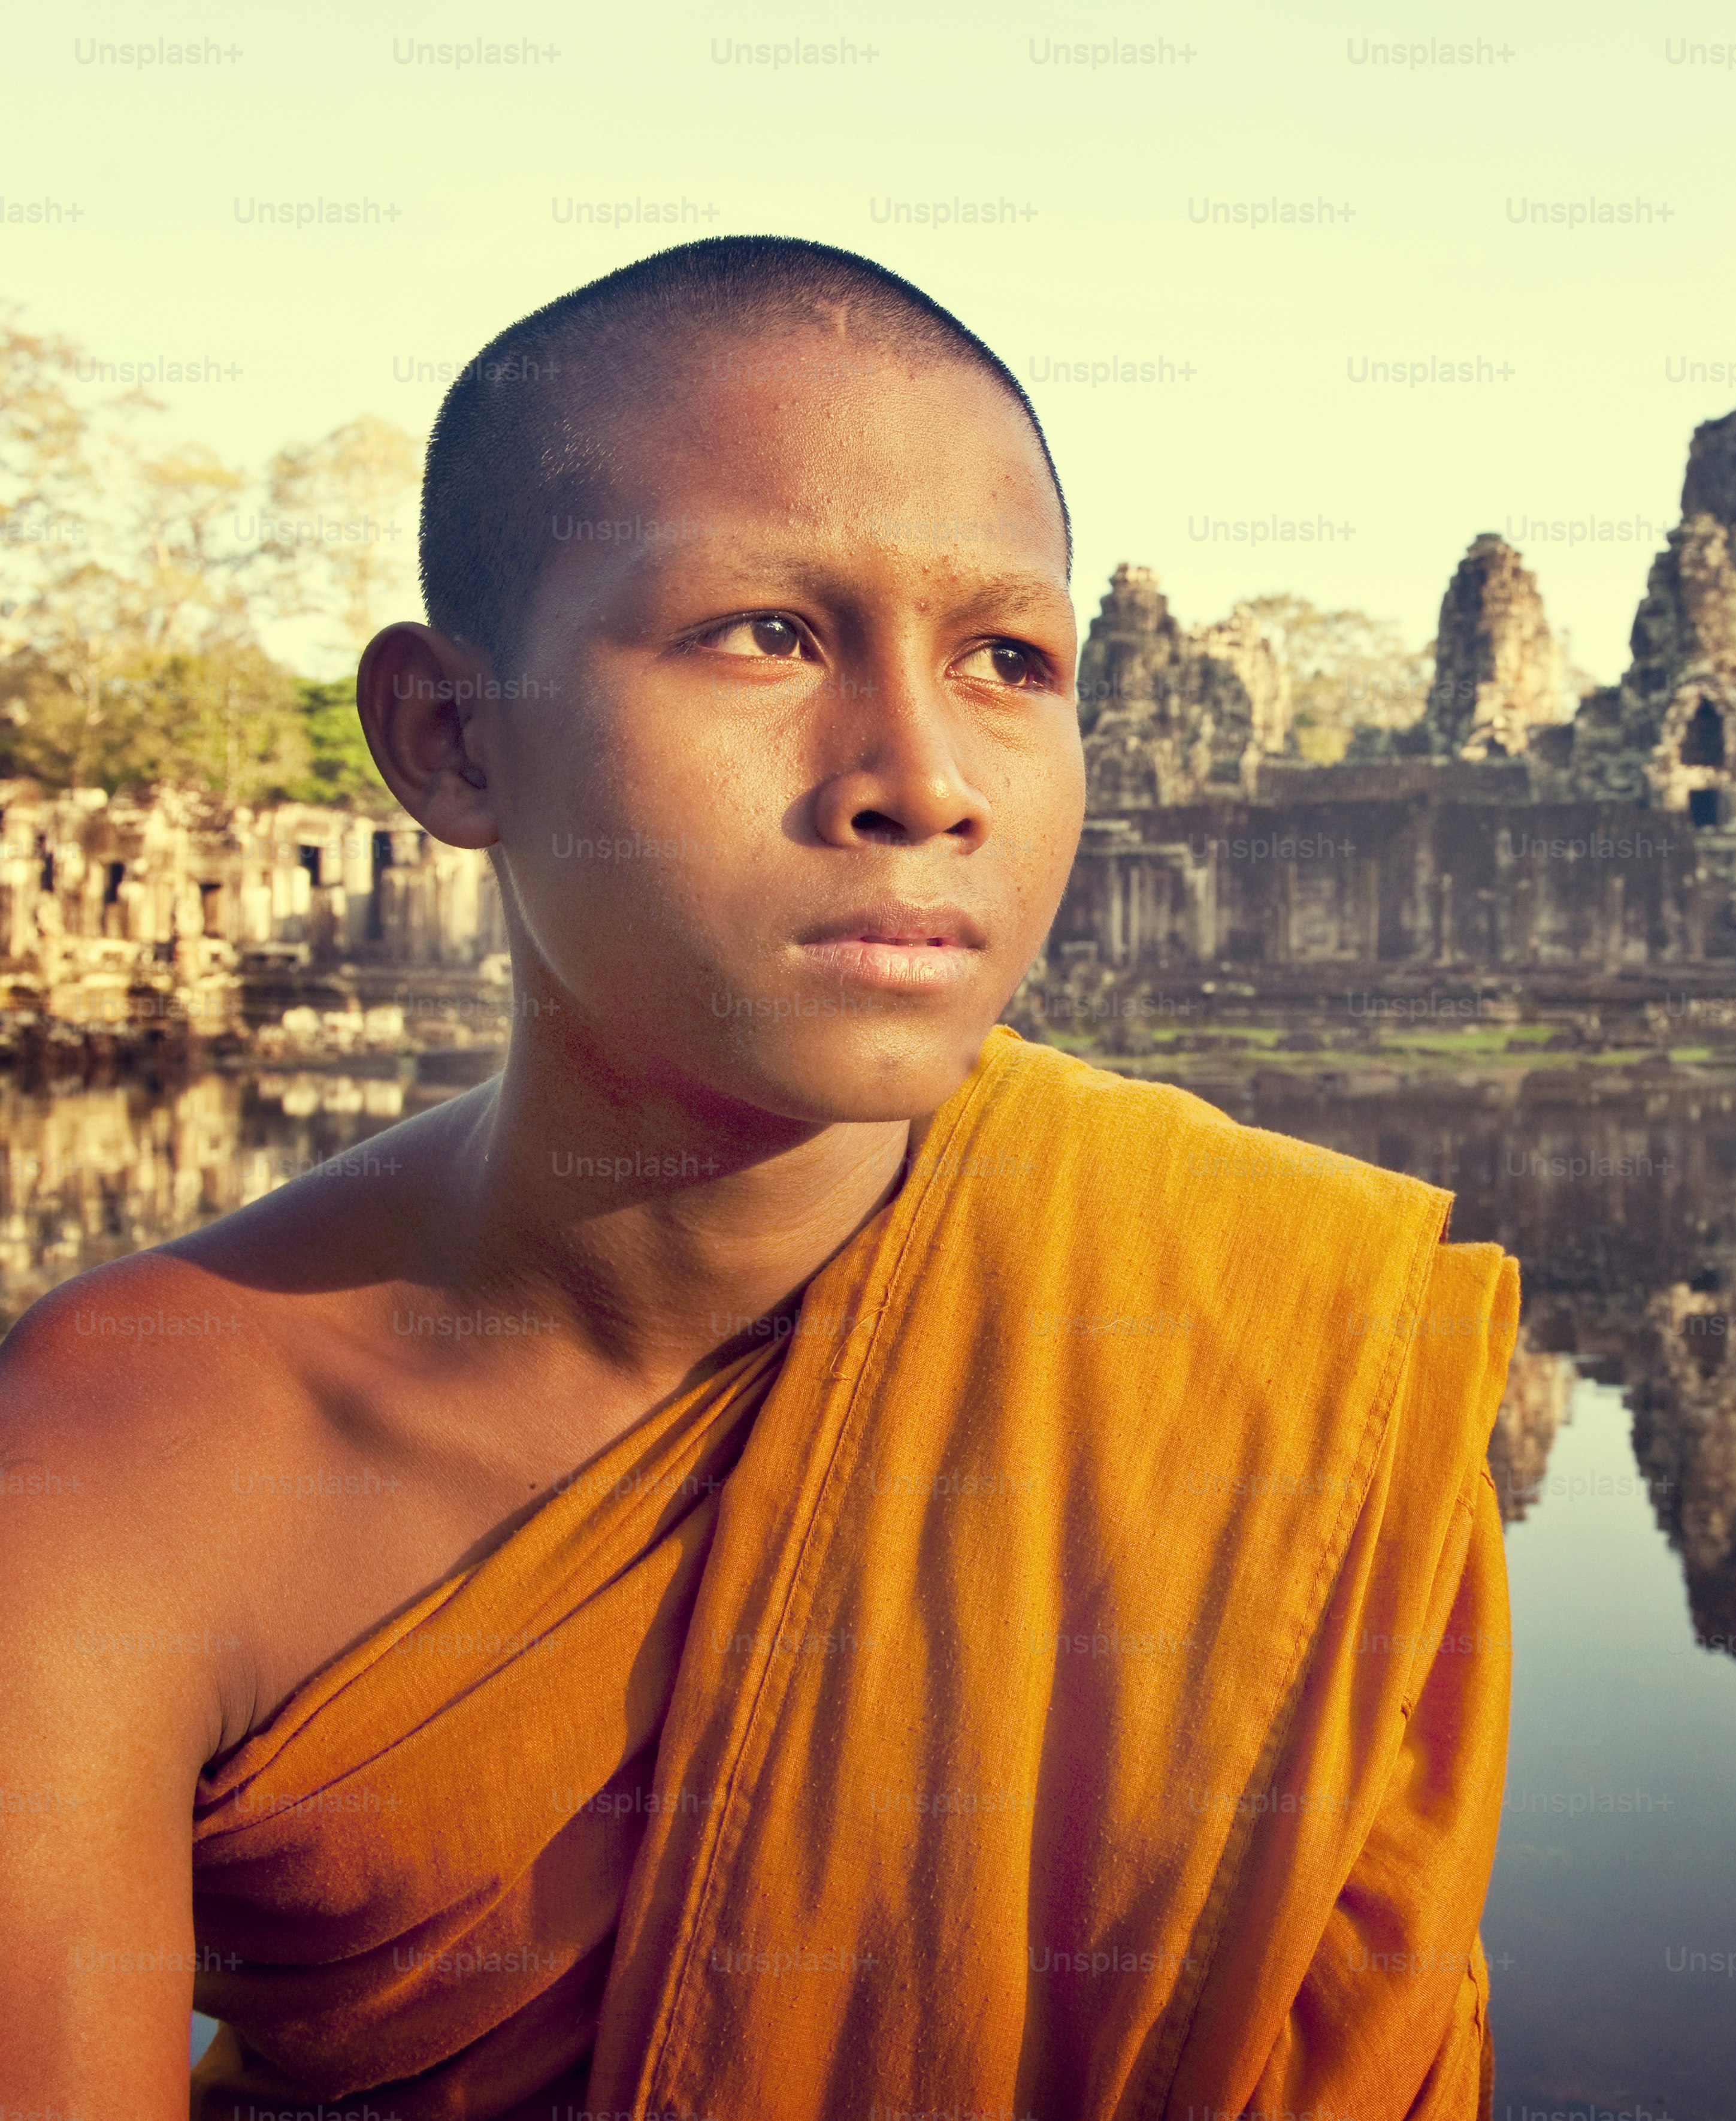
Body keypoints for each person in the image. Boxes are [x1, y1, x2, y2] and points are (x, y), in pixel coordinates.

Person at [0, 237, 1519, 2121]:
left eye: (1008, 660)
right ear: (452, 738)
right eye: (765, 635)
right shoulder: (121, 1461)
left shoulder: (1265, 1341)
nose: (922, 776)